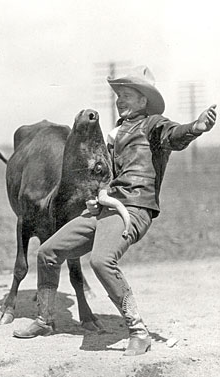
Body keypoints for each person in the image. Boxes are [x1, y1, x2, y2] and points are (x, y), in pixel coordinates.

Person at [13, 66, 217, 356]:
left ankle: (139, 331)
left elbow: (175, 135)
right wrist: (99, 196)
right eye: (118, 95)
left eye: (127, 95)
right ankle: (44, 320)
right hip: (106, 208)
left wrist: (197, 127)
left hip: (133, 209)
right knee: (47, 252)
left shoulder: (154, 125)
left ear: (143, 101)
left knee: (101, 260)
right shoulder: (115, 133)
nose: (120, 100)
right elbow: (105, 175)